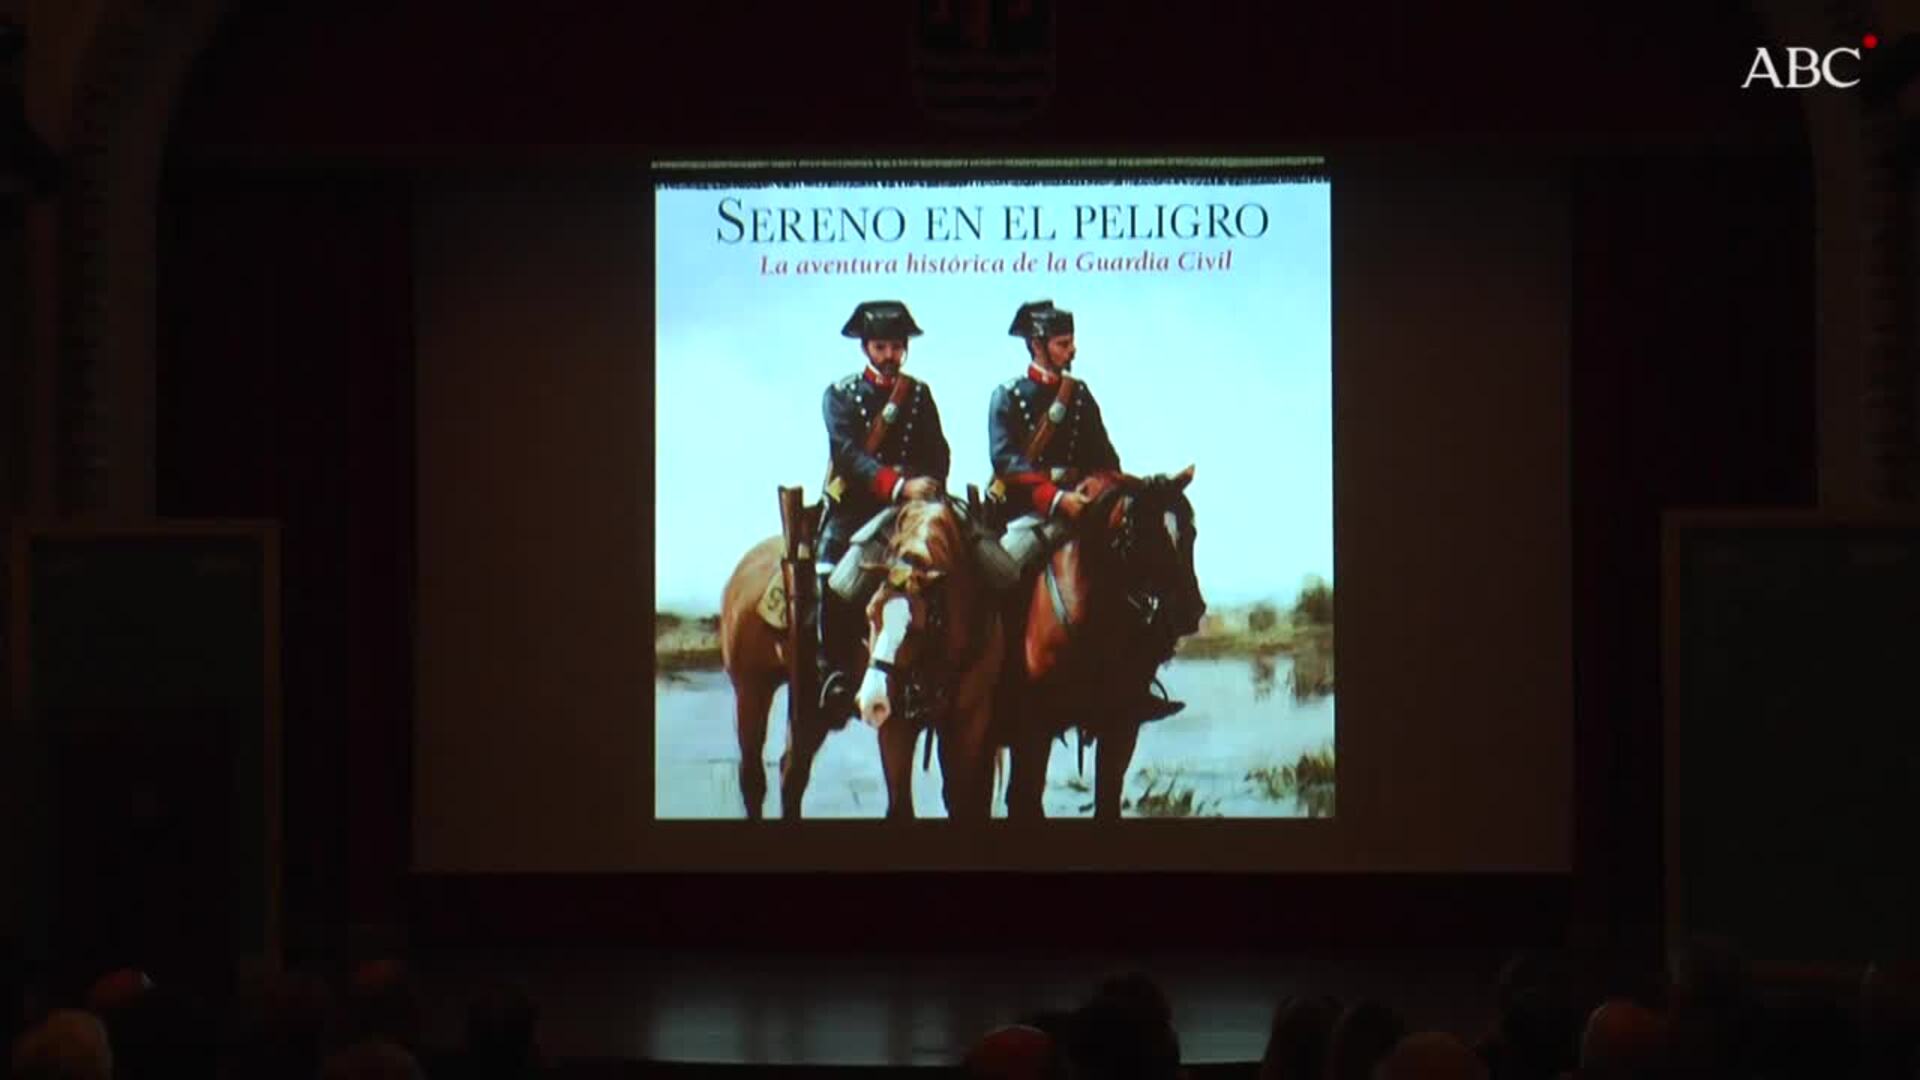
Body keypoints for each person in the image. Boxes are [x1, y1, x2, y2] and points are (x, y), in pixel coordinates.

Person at [987, 299, 1182, 722]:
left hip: (1086, 509)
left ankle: (1134, 680)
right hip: (1032, 513)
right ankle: (1001, 679)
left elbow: (1105, 456)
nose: (1072, 351)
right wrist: (1058, 499)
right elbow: (1007, 462)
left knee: (1132, 566)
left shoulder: (1080, 396)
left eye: (1071, 342)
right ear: (1037, 345)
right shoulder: (1006, 396)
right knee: (1001, 575)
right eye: (1063, 343)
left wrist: (1104, 489)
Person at [816, 300, 950, 719]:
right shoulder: (840, 395)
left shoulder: (920, 394)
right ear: (865, 349)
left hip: (914, 512)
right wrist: (897, 485)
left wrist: (927, 484)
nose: (890, 355)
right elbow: (849, 456)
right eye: (880, 347)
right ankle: (833, 672)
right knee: (835, 580)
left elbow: (939, 452)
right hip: (858, 510)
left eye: (896, 346)